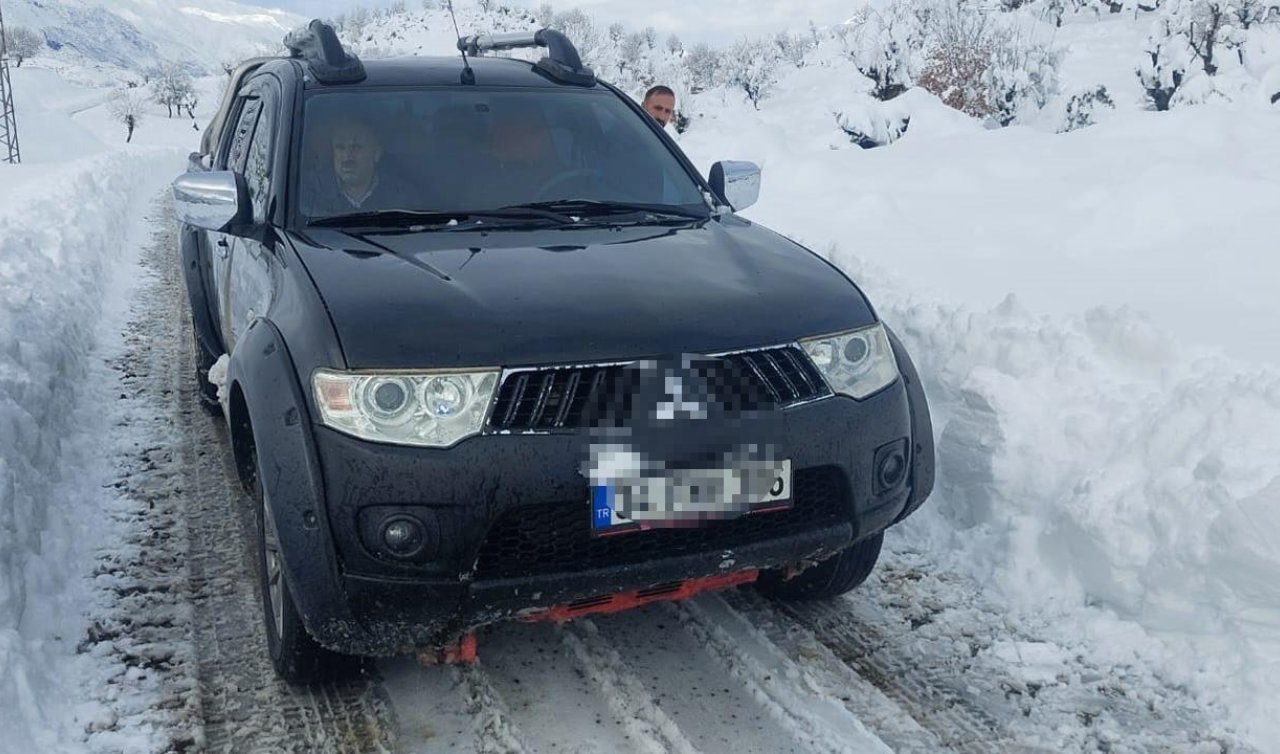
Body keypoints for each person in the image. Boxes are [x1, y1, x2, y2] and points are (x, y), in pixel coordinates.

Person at [307, 116, 414, 215]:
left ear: (376, 153)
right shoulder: (310, 193)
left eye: (356, 147)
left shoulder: (402, 197)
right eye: (340, 147)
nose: (347, 157)